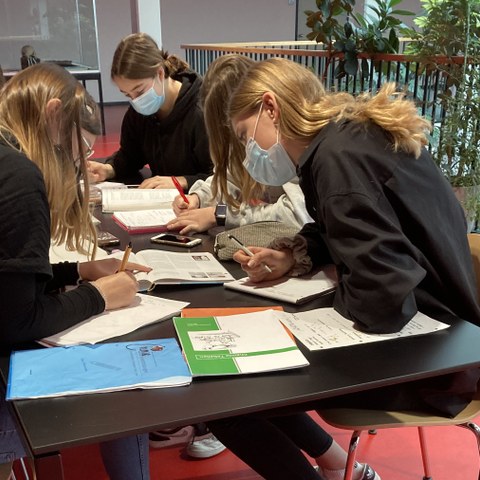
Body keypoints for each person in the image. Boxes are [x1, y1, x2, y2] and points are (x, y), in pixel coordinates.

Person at [206, 57, 480, 479]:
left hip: (429, 361)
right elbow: (344, 228)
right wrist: (295, 254)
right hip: (447, 336)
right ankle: (335, 465)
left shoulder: (338, 159)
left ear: (270, 108)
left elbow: (382, 299)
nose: (249, 152)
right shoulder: (344, 141)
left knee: (225, 400)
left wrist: (312, 312)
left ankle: (328, 467)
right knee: (244, 376)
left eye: (245, 136)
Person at [0, 62, 152, 480]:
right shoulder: (17, 177)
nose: (76, 161)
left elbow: (6, 274)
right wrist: (101, 296)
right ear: (53, 114)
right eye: (78, 149)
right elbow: (18, 320)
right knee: (124, 382)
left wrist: (77, 271)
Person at [167, 54, 311, 235]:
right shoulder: (260, 139)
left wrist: (220, 215)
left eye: (242, 134)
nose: (244, 145)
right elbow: (229, 177)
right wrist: (198, 198)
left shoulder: (296, 146)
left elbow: (298, 216)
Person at [88, 33, 213, 189]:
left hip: (200, 205)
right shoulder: (138, 113)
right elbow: (131, 156)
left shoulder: (202, 111)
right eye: (127, 95)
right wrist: (108, 169)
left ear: (160, 73)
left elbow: (221, 178)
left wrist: (180, 181)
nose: (135, 100)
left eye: (139, 91)